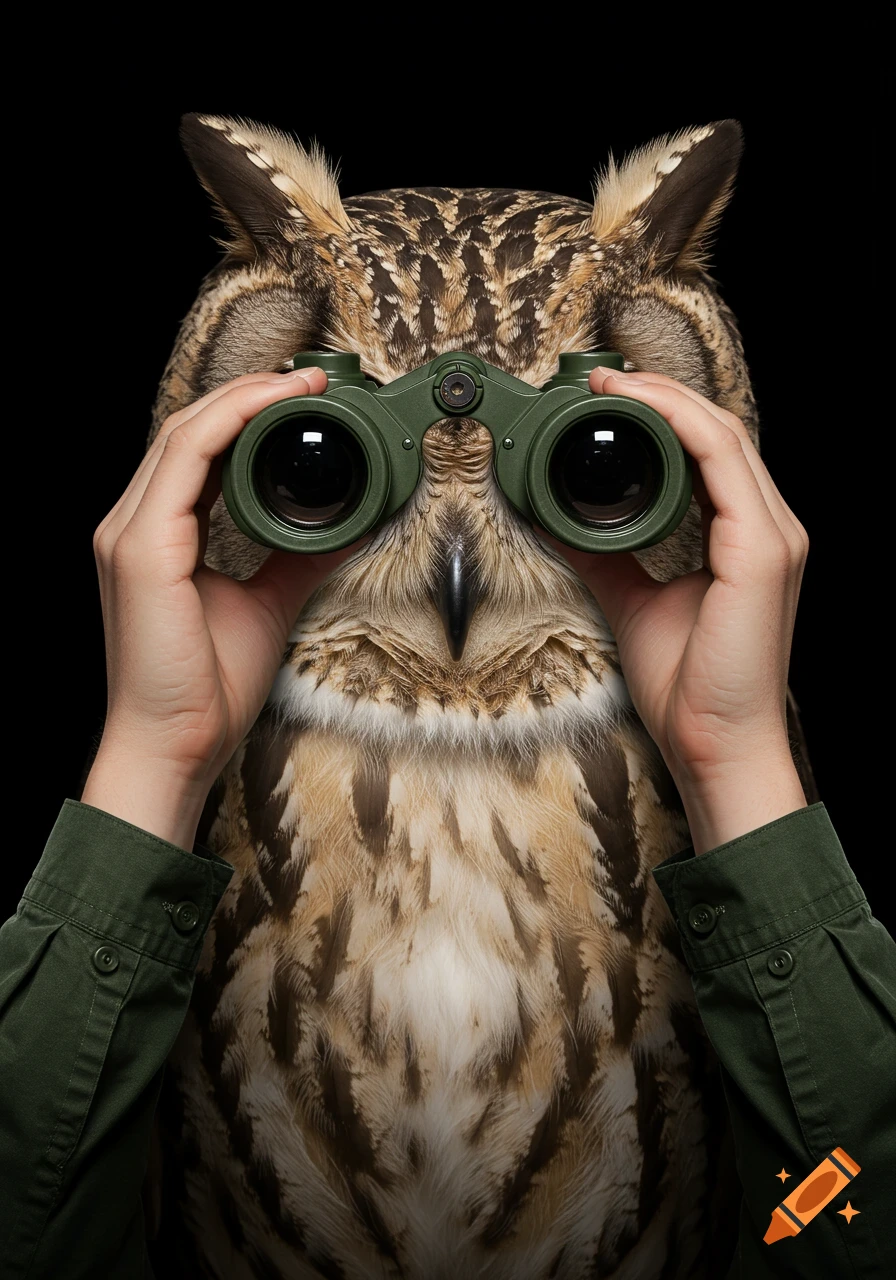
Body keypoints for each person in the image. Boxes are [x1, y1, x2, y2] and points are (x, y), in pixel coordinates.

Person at [1, 365, 893, 1279]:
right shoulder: (213, 808)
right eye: (326, 464)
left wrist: (731, 761)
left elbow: (829, 1199)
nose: (455, 558)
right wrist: (158, 757)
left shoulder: (684, 810)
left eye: (588, 460)